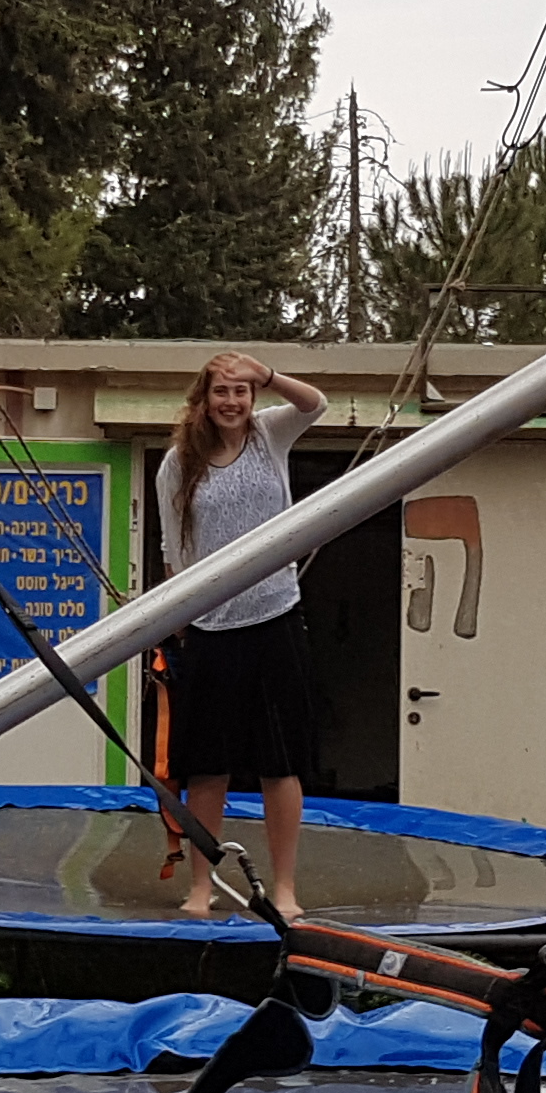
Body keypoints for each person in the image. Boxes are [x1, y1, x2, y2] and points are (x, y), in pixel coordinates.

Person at [156, 351, 329, 919]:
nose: (231, 402)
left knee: (281, 763)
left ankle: (285, 888)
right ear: (203, 401)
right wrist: (179, 620)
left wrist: (268, 374)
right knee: (209, 766)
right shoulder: (178, 463)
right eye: (221, 392)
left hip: (277, 616)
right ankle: (200, 886)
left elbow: (316, 405)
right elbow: (174, 551)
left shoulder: (270, 433)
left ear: (252, 398)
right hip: (212, 626)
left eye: (240, 392)